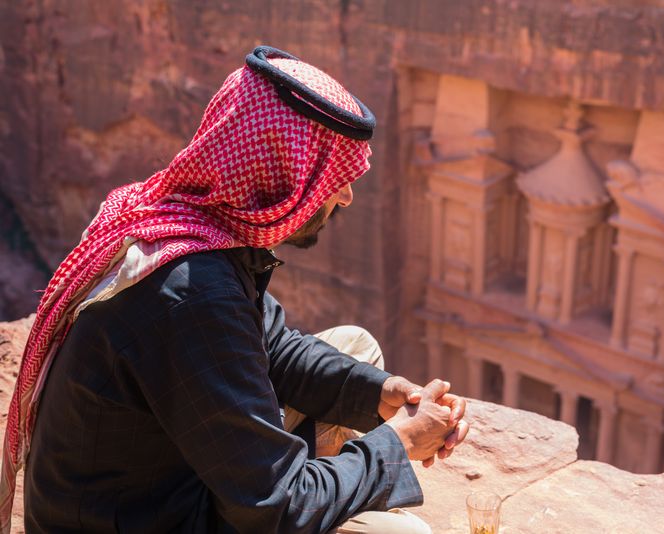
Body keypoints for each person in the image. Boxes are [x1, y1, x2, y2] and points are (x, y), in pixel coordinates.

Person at [0, 46, 469, 533]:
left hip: (161, 481)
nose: (346, 194)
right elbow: (276, 507)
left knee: (356, 349)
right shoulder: (193, 294)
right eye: (333, 175)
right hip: (149, 518)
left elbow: (273, 346)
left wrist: (384, 395)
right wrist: (400, 442)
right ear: (281, 173)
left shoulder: (182, 222)